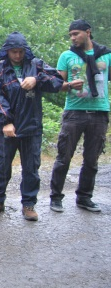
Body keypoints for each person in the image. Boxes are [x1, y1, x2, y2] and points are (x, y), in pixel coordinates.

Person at [0, 32, 63, 221]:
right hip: (7, 128)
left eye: (20, 52)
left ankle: (29, 204)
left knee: (31, 167)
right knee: (2, 165)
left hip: (32, 127)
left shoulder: (36, 65)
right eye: (13, 52)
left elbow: (57, 81)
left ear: (25, 51)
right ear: (7, 51)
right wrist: (6, 121)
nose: (17, 56)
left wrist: (37, 80)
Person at [50, 19, 111, 213]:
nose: (73, 38)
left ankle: (84, 198)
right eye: (70, 35)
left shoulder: (106, 55)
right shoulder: (67, 56)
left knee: (92, 159)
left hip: (100, 112)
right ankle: (56, 197)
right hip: (74, 113)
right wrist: (69, 85)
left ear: (88, 32)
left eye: (76, 34)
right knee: (64, 157)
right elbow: (56, 85)